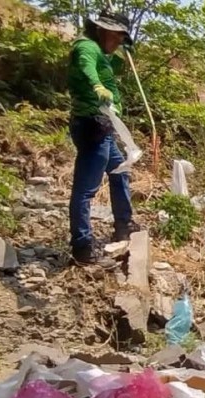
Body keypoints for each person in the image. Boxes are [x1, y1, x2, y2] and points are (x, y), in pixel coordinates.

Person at [66, 10, 137, 266]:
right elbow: (86, 65)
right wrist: (97, 85)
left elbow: (112, 67)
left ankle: (123, 224)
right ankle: (82, 247)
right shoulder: (86, 47)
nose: (119, 41)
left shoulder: (102, 54)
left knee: (120, 171)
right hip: (90, 125)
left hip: (103, 127)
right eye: (117, 36)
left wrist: (126, 53)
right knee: (85, 190)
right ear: (102, 30)